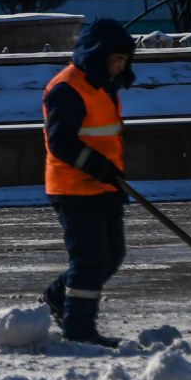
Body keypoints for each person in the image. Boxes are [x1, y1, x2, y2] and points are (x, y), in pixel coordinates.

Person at [40, 18, 137, 347]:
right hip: (74, 188)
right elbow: (61, 142)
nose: (120, 66)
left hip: (105, 185)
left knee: (111, 256)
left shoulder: (103, 86)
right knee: (90, 260)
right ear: (97, 55)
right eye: (115, 59)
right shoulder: (68, 88)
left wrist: (110, 172)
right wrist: (99, 167)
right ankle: (80, 331)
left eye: (124, 61)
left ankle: (57, 297)